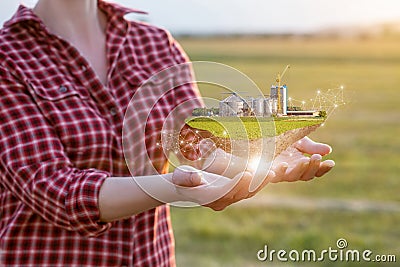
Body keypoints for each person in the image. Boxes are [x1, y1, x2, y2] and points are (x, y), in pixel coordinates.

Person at [0, 0, 335, 266]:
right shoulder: (7, 58)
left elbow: (198, 141)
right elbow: (54, 188)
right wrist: (175, 187)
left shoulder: (156, 44)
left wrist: (255, 148)